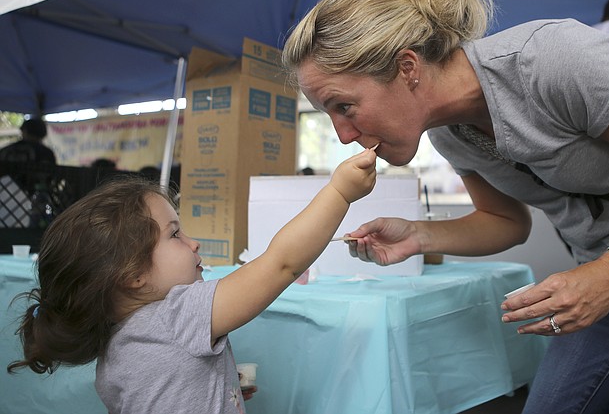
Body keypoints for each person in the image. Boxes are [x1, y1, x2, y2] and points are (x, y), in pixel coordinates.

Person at [281, 0, 609, 414]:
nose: (344, 136)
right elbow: (506, 223)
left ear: (408, 67)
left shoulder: (553, 60)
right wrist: (419, 235)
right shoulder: (449, 132)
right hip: (608, 276)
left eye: (344, 106)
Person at [7, 148, 377, 413]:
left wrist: (212, 393)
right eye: (175, 235)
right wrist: (339, 193)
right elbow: (281, 264)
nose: (194, 242)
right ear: (132, 276)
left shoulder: (116, 348)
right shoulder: (175, 315)